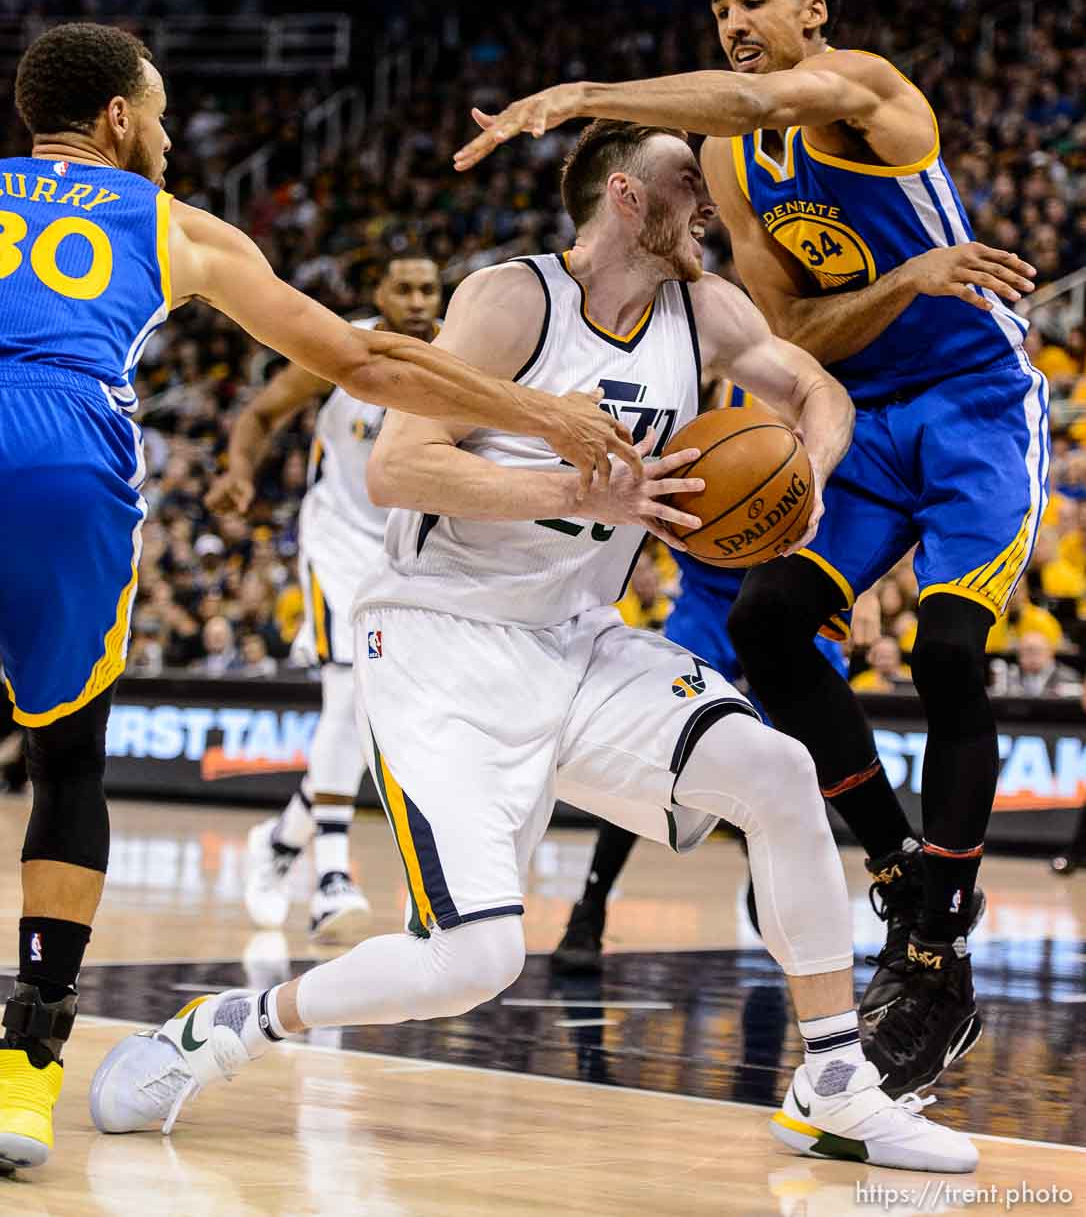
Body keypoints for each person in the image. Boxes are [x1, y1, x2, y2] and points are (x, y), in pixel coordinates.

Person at [92, 119, 976, 1174]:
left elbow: (816, 392)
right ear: (624, 196)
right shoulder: (511, 301)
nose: (711, 199)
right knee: (473, 960)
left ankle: (834, 1078)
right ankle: (226, 1028)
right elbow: (401, 468)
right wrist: (574, 487)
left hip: (579, 638)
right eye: (686, 180)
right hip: (438, 638)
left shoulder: (706, 309)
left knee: (779, 772)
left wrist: (808, 484)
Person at [0, 21, 636, 1174]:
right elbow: (360, 359)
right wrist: (546, 413)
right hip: (60, 454)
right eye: (160, 111)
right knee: (66, 764)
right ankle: (24, 1074)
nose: (172, 133)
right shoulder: (173, 224)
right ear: (117, 123)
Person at [455, 0, 1046, 1099]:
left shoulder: (874, 95)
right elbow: (800, 338)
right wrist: (904, 280)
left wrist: (586, 93)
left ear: (814, 13)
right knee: (771, 623)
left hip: (980, 405)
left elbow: (754, 92)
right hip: (865, 414)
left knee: (947, 653)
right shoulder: (733, 164)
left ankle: (936, 952)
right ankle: (893, 863)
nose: (730, 17)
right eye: (717, 3)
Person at [552, 380, 850, 976]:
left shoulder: (824, 399)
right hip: (709, 600)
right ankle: (589, 909)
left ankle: (771, 890)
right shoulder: (699, 379)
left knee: (791, 759)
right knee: (660, 748)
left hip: (792, 598)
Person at [209, 253, 444, 944]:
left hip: (410, 551)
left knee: (385, 712)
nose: (416, 298)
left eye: (428, 287)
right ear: (377, 291)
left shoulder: (466, 352)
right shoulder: (342, 348)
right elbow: (261, 412)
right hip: (339, 543)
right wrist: (239, 473)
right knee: (349, 693)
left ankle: (281, 841)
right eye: (401, 286)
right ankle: (332, 875)